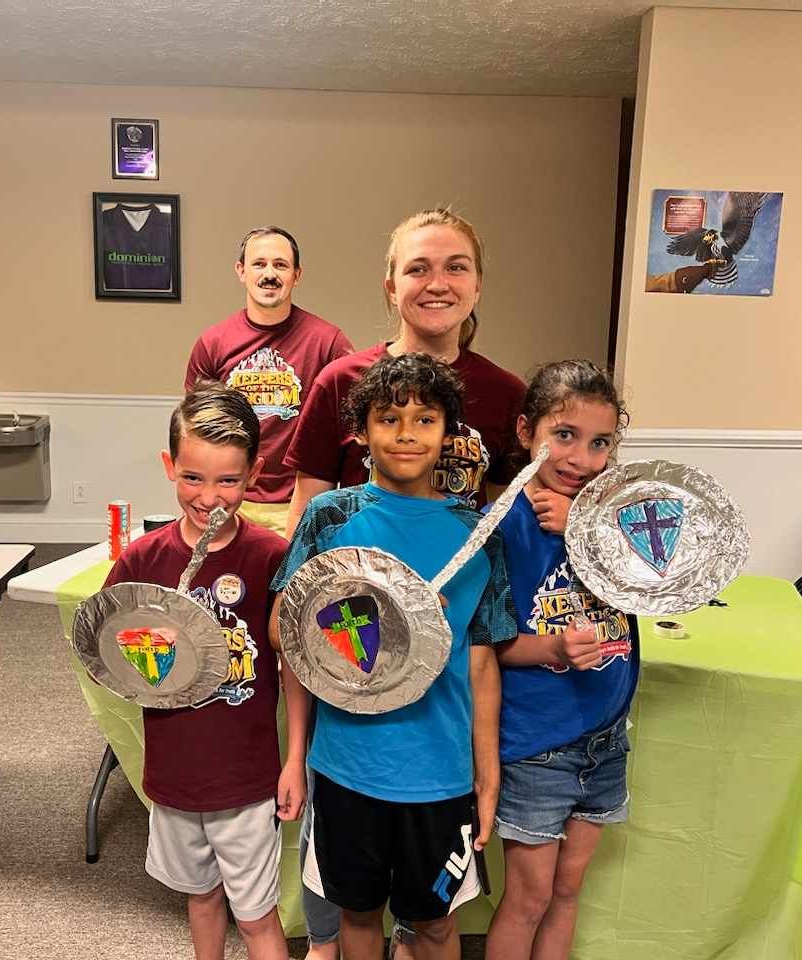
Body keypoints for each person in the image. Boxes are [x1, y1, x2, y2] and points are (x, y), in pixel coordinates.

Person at [271, 353, 514, 960]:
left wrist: (487, 776)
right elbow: (283, 630)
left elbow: (483, 661)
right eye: (388, 418)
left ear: (449, 432)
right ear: (361, 431)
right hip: (349, 764)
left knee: (432, 924)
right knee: (358, 915)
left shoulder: (477, 532)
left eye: (425, 419)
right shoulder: (332, 518)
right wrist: (357, 630)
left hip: (440, 772)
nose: (406, 434)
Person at [100, 383, 310, 960]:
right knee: (200, 898)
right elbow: (110, 653)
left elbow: (292, 665)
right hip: (175, 774)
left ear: (254, 474)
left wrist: (293, 760)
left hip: (246, 778)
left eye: (228, 480)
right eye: (193, 477)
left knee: (259, 917)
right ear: (170, 466)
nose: (209, 496)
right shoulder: (143, 560)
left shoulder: (269, 556)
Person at [484, 360, 638, 960]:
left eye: (600, 442)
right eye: (564, 435)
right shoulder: (505, 527)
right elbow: (489, 645)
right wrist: (551, 647)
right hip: (538, 746)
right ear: (527, 431)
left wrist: (587, 530)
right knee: (528, 898)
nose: (580, 458)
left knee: (568, 891)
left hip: (606, 738)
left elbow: (663, 583)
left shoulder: (613, 524)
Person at [284, 208, 526, 538]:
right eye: (418, 269)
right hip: (360, 579)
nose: (438, 284)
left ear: (477, 286)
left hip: (462, 583)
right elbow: (305, 519)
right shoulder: (340, 381)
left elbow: (504, 521)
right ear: (392, 289)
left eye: (456, 268)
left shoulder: (506, 393)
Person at [186, 226, 354, 535]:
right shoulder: (213, 343)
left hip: (302, 501)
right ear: (241, 271)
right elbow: (196, 433)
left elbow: (352, 429)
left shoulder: (328, 342)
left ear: (297, 274)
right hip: (230, 498)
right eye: (259, 264)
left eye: (281, 265)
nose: (269, 273)